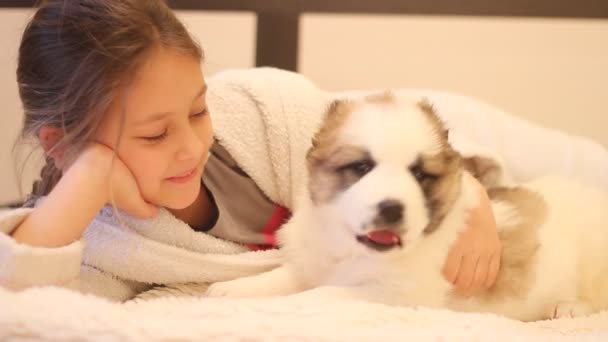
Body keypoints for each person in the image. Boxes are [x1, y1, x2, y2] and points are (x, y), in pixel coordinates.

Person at [0, 0, 501, 301]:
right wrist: (88, 176)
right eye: (155, 136)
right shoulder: (91, 235)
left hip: (437, 133)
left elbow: (403, 140)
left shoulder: (264, 111)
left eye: (198, 111)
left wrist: (470, 193)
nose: (192, 146)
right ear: (64, 147)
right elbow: (24, 302)